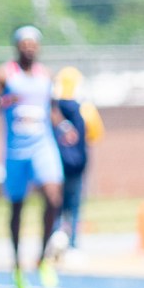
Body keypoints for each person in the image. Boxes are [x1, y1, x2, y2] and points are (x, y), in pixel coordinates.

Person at [0, 26, 67, 288]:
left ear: (38, 47)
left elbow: (51, 110)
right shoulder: (5, 74)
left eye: (33, 44)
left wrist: (63, 126)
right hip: (16, 150)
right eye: (24, 44)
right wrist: (4, 99)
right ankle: (17, 265)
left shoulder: (46, 76)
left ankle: (42, 259)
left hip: (43, 146)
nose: (29, 48)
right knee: (17, 208)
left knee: (54, 198)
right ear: (17, 47)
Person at [52, 66, 104, 249]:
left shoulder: (53, 108)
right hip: (77, 164)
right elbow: (96, 134)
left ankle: (53, 241)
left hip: (55, 164)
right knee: (74, 206)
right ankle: (73, 245)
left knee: (55, 205)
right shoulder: (85, 108)